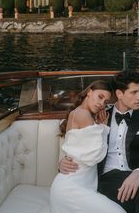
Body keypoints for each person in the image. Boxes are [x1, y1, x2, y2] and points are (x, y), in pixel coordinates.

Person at [59, 70, 139, 213]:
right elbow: (77, 140)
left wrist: (137, 174)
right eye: (134, 92)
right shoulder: (99, 114)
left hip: (134, 178)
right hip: (105, 179)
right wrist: (63, 161)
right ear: (119, 94)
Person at [50, 80, 126, 213]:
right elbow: (96, 156)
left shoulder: (79, 113)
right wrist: (103, 128)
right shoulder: (83, 115)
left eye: (106, 102)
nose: (101, 104)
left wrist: (99, 127)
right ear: (89, 92)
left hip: (75, 186)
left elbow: (76, 151)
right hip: (71, 189)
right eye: (100, 97)